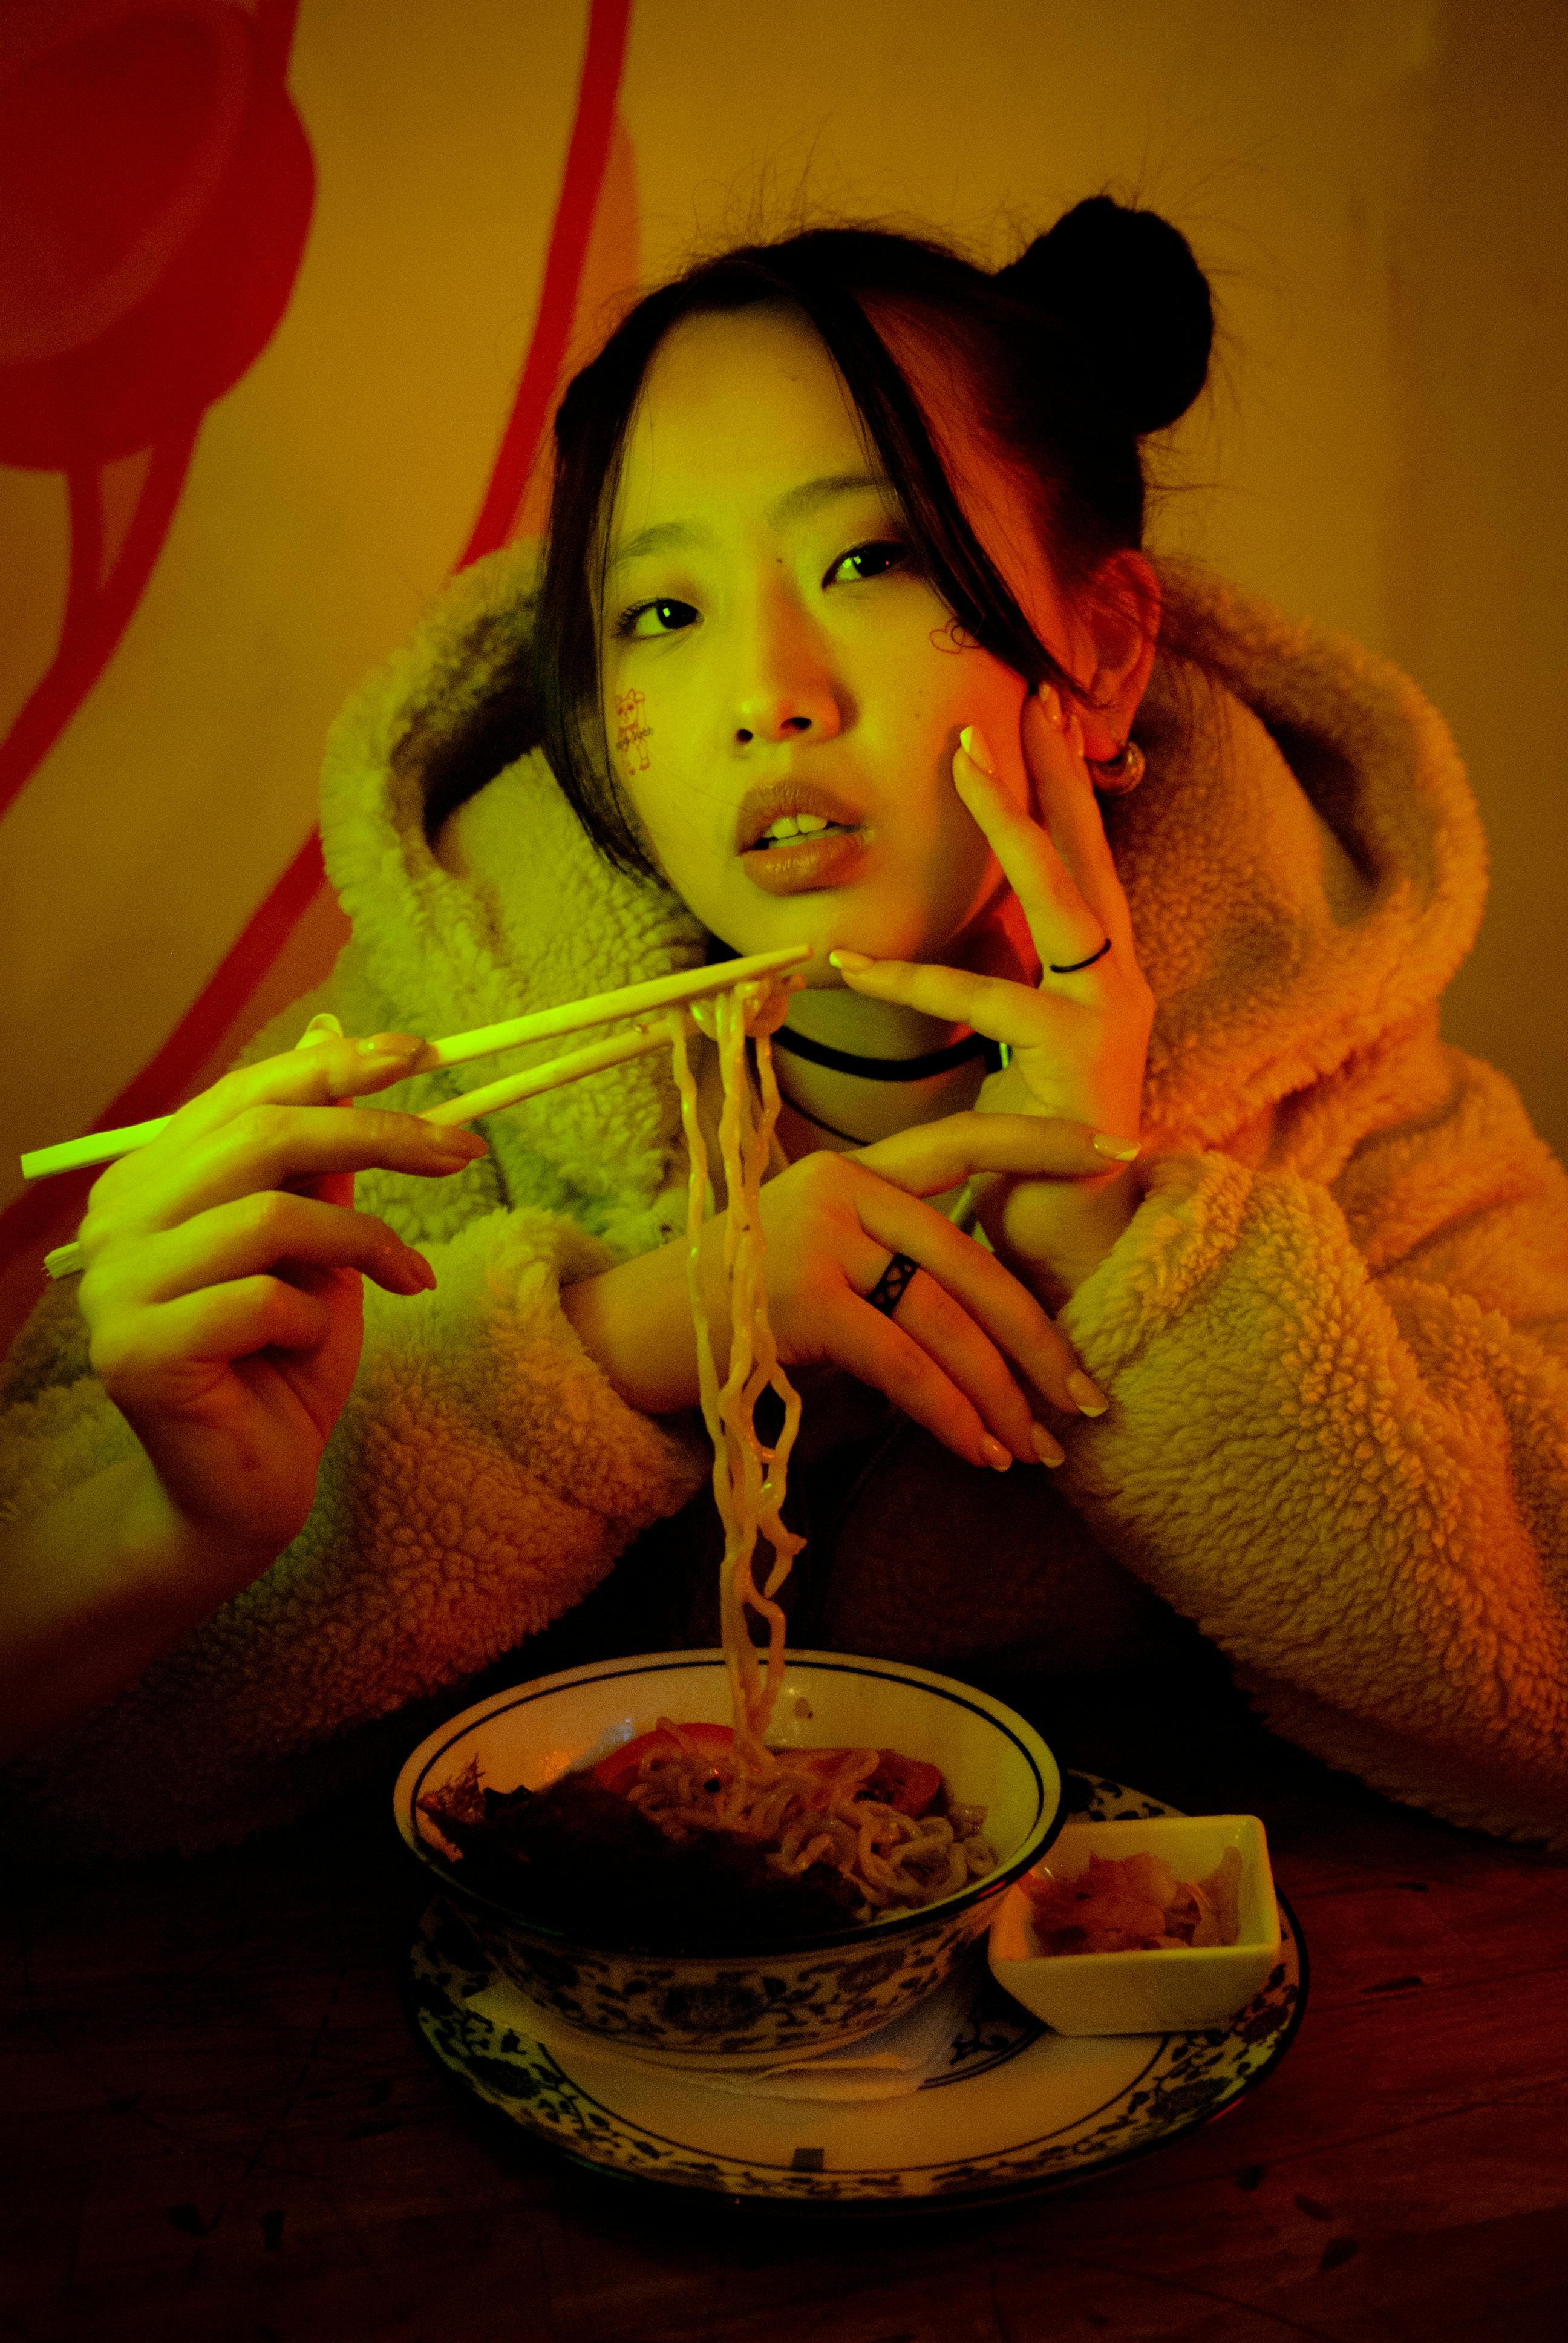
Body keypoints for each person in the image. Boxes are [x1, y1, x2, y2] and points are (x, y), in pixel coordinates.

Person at [3, 200, 1565, 1859]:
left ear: (1102, 659)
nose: (770, 689)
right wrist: (614, 1345)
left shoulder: (1324, 1055)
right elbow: (54, 1759)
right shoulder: (438, 1061)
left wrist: (1120, 1251)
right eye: (660, 614)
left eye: (869, 561)